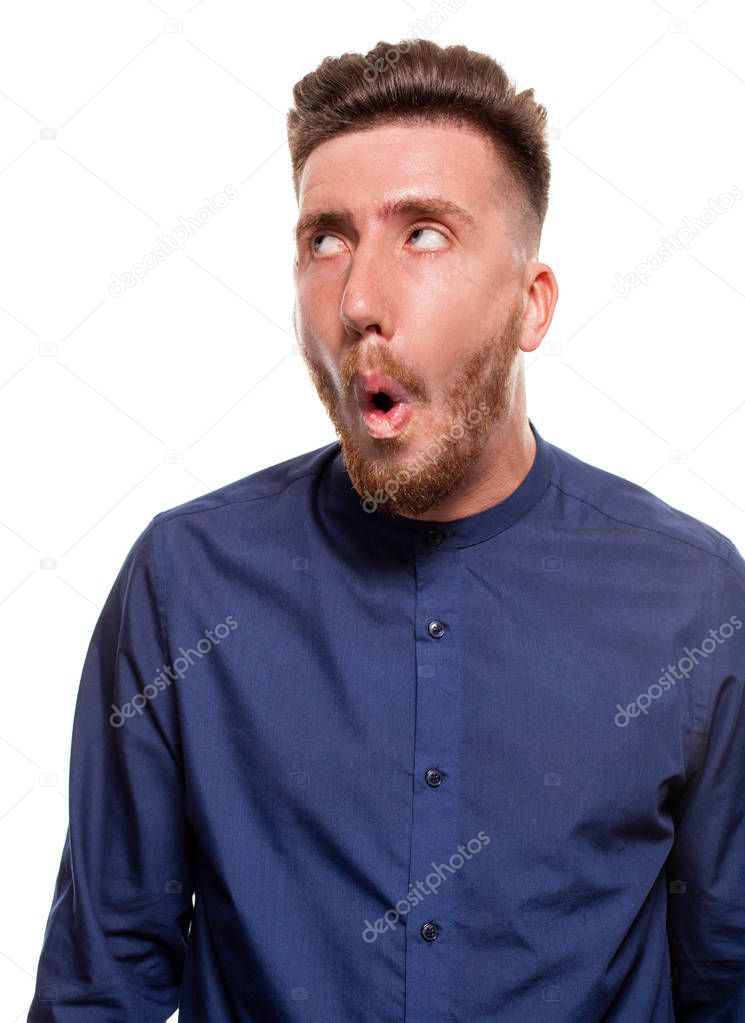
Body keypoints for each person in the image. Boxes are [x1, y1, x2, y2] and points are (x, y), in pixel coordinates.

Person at [28, 38, 745, 1022]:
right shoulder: (183, 585)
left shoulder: (692, 596)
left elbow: (729, 977)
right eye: (325, 239)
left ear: (530, 304)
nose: (358, 299)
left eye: (423, 235)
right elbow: (100, 984)